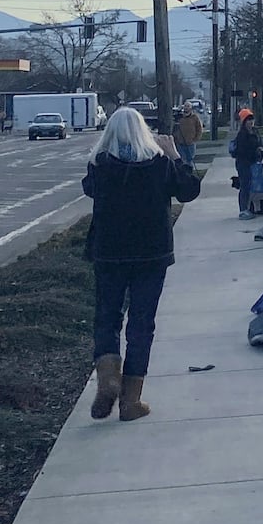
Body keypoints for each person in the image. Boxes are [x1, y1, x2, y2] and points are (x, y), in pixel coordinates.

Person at [83, 106, 201, 421]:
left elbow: (88, 189)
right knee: (141, 324)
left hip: (109, 254)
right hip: (151, 255)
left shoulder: (100, 165)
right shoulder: (160, 165)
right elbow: (189, 191)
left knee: (106, 318)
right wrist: (176, 155)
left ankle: (108, 378)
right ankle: (130, 401)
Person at [231, 106, 263, 215]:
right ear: (244, 122)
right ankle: (243, 209)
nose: (251, 122)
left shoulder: (255, 132)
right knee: (245, 185)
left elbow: (260, 144)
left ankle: (254, 207)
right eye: (248, 120)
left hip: (254, 163)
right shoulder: (242, 135)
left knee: (253, 185)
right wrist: (255, 152)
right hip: (243, 163)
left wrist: (261, 151)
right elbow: (242, 151)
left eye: (252, 119)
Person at [173, 101, 204, 169]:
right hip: (180, 143)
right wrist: (176, 138)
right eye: (185, 106)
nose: (186, 108)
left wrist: (196, 138)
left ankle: (190, 172)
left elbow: (199, 128)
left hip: (191, 142)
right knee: (182, 159)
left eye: (188, 106)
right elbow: (174, 128)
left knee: (190, 159)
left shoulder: (194, 117)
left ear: (191, 108)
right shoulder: (179, 117)